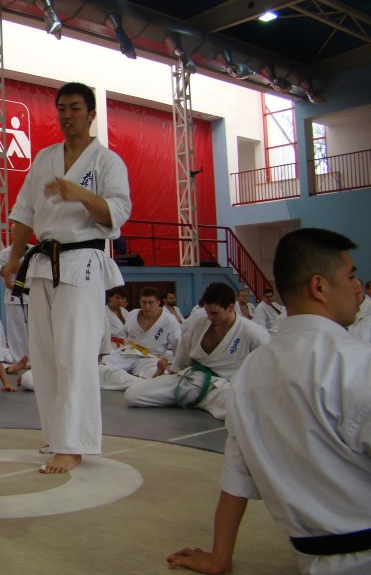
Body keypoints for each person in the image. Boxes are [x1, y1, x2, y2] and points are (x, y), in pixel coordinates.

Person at [167, 228, 371, 575]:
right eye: (351, 275)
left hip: (315, 560)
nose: (358, 287)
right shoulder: (356, 362)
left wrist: (219, 557)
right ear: (319, 286)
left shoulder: (249, 374)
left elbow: (237, 473)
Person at [0, 81, 131, 474]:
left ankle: (74, 445)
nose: (67, 115)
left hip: (82, 261)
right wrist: (14, 259)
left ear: (91, 115)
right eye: (61, 108)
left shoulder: (107, 161)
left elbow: (117, 213)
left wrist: (80, 194)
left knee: (75, 354)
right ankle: (58, 435)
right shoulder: (44, 158)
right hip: (43, 263)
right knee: (44, 355)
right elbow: (24, 212)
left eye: (75, 108)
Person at [124, 283, 269, 420]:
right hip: (192, 380)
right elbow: (183, 354)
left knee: (243, 410)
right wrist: (169, 379)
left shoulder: (252, 331)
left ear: (230, 308)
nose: (210, 317)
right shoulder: (200, 323)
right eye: (207, 312)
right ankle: (191, 399)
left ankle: (200, 401)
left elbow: (267, 365)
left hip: (220, 387)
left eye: (214, 313)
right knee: (132, 395)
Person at [99, 287, 181, 390]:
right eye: (144, 302)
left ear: (158, 303)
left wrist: (177, 368)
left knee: (153, 372)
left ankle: (157, 374)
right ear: (140, 301)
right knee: (100, 366)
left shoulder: (168, 320)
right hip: (128, 353)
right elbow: (124, 335)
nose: (147, 306)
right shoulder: (133, 314)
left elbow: (178, 345)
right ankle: (141, 382)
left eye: (151, 303)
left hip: (150, 357)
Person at [0, 235, 31, 368]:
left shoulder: (34, 251)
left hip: (33, 294)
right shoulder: (5, 253)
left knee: (35, 330)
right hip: (14, 295)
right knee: (16, 332)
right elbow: (0, 272)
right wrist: (14, 260)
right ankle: (19, 360)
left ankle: (36, 360)